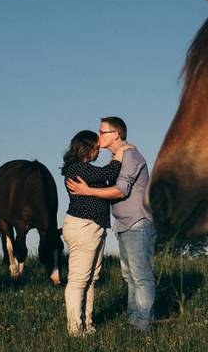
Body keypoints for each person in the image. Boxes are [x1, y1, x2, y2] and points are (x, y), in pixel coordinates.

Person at [67, 116, 156, 332]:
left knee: (140, 275)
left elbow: (120, 190)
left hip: (137, 222)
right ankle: (135, 321)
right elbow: (108, 178)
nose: (98, 137)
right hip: (124, 224)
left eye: (102, 132)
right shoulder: (116, 158)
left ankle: (144, 324)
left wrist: (88, 191)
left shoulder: (131, 156)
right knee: (130, 276)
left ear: (115, 134)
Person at [60, 130, 129, 336]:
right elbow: (108, 173)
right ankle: (74, 329)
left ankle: (87, 324)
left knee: (91, 279)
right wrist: (120, 152)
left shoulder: (83, 169)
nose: (99, 151)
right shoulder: (77, 169)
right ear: (86, 148)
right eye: (97, 148)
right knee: (79, 280)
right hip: (84, 228)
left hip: (93, 228)